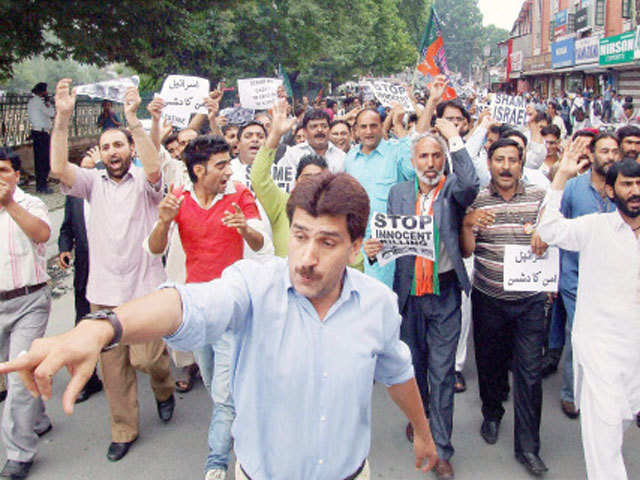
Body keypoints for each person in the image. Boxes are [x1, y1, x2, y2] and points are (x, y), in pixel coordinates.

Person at [1, 172, 440, 480]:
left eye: (327, 243)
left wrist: (422, 433)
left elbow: (397, 371)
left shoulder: (378, 304)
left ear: (356, 246)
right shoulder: (252, 284)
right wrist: (101, 328)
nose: (307, 258)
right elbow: (188, 303)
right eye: (301, 236)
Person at [49, 78, 175, 462]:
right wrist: (62, 117)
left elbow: (154, 167)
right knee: (115, 368)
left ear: (130, 149)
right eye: (105, 147)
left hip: (145, 290)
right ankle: (124, 429)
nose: (112, 151)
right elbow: (57, 168)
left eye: (118, 144)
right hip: (102, 293)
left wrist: (133, 120)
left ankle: (165, 387)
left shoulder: (147, 181)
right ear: (100, 154)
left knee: (147, 359)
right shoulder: (91, 183)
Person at [146, 135, 272, 480]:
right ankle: (245, 428)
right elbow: (155, 249)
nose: (228, 170)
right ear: (198, 170)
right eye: (221, 165)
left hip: (232, 308)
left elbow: (260, 244)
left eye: (228, 163)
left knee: (225, 394)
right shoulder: (178, 198)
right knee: (220, 388)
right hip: (198, 310)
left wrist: (245, 228)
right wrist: (163, 221)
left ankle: (216, 462)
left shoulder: (240, 194)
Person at [364, 124, 479, 479]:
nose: (430, 163)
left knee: (442, 373)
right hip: (409, 294)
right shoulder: (399, 193)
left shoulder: (453, 192)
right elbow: (391, 240)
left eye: (436, 156)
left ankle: (442, 449)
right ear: (413, 161)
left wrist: (455, 139)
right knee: (415, 370)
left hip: (444, 294)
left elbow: (472, 183)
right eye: (424, 156)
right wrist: (374, 250)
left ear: (444, 159)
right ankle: (422, 423)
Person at [537, 150, 640, 480]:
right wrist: (561, 178)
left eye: (639, 183)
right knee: (604, 432)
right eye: (627, 184)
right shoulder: (595, 227)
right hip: (600, 348)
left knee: (619, 424)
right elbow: (550, 230)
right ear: (610, 191)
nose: (635, 190)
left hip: (635, 354)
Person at [460, 138, 549, 476]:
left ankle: (528, 448)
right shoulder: (478, 200)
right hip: (489, 297)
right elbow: (467, 252)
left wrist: (546, 237)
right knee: (490, 363)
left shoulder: (539, 198)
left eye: (513, 159)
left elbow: (552, 239)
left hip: (529, 303)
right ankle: (492, 413)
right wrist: (469, 224)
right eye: (500, 159)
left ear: (521, 163)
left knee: (529, 374)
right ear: (490, 162)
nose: (506, 166)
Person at [0, 149, 52, 479]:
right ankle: (38, 417)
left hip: (29, 303)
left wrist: (8, 203)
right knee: (19, 377)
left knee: (18, 381)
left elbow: (42, 234)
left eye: (4, 170)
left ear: (17, 175)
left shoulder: (31, 204)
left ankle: (19, 453)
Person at [344, 107, 415, 287]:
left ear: (382, 126)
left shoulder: (396, 151)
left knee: (385, 297)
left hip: (389, 243)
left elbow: (414, 175)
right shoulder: (350, 159)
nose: (369, 131)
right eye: (364, 126)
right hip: (358, 242)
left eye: (373, 126)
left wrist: (403, 135)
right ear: (356, 130)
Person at [250, 100, 329, 257]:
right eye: (307, 177)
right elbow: (259, 178)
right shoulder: (282, 203)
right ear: (296, 181)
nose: (312, 181)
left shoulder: (334, 210)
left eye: (318, 177)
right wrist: (275, 135)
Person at [58, 194, 104, 403]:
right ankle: (89, 379)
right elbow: (66, 228)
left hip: (115, 270)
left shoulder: (109, 190)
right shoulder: (74, 198)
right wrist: (64, 249)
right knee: (83, 323)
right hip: (85, 272)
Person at [278, 109, 345, 173]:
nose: (320, 130)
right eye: (314, 126)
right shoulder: (292, 155)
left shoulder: (341, 156)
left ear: (330, 129)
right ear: (305, 131)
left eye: (324, 126)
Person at [26, 82, 55, 193]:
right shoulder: (40, 102)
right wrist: (48, 103)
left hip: (37, 132)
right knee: (44, 160)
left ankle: (41, 185)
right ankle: (42, 186)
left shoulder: (32, 102)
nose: (46, 93)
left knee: (39, 160)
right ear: (42, 92)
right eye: (45, 91)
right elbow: (51, 113)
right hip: (42, 133)